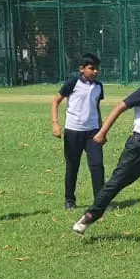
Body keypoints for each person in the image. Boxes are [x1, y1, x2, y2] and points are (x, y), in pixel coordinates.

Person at [72, 60, 140, 246]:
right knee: (116, 183)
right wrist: (102, 132)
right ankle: (89, 217)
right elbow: (119, 107)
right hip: (139, 147)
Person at [51, 54, 106, 209]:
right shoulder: (72, 83)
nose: (95, 71)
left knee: (97, 165)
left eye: (97, 69)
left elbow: (96, 107)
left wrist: (102, 130)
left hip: (93, 132)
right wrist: (55, 123)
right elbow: (55, 102)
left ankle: (100, 201)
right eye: (92, 68)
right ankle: (69, 200)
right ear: (82, 69)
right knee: (72, 166)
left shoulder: (98, 86)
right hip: (73, 131)